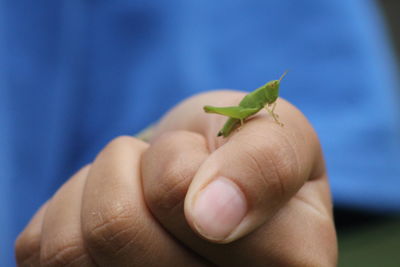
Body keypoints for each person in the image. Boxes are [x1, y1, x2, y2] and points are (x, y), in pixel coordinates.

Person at [1, 1, 399, 266]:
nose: (273, 93)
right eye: (272, 90)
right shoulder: (256, 102)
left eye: (275, 91)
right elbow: (247, 109)